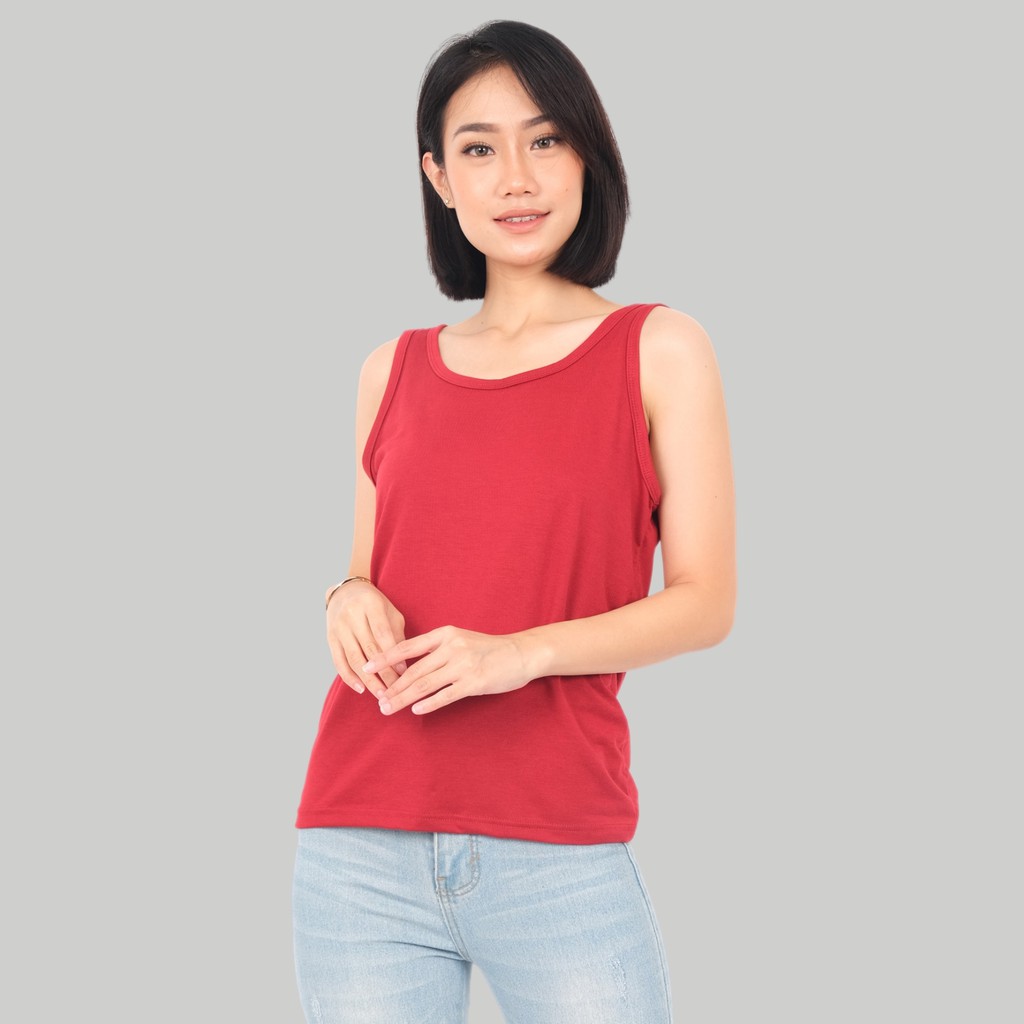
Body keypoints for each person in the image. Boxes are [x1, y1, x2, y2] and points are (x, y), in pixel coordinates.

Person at [292, 19, 735, 1024]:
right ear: (439, 178)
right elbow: (368, 572)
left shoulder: (658, 349)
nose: (517, 178)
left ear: (586, 155)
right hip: (359, 842)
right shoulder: (390, 368)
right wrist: (342, 597)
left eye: (545, 139)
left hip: (557, 845)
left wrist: (518, 654)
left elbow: (706, 602)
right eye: (479, 149)